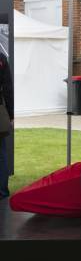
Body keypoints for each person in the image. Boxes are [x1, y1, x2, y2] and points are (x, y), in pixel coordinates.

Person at [0, 52, 13, 199]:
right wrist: (10, 114)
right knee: (1, 154)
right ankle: (2, 191)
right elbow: (8, 88)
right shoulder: (1, 58)